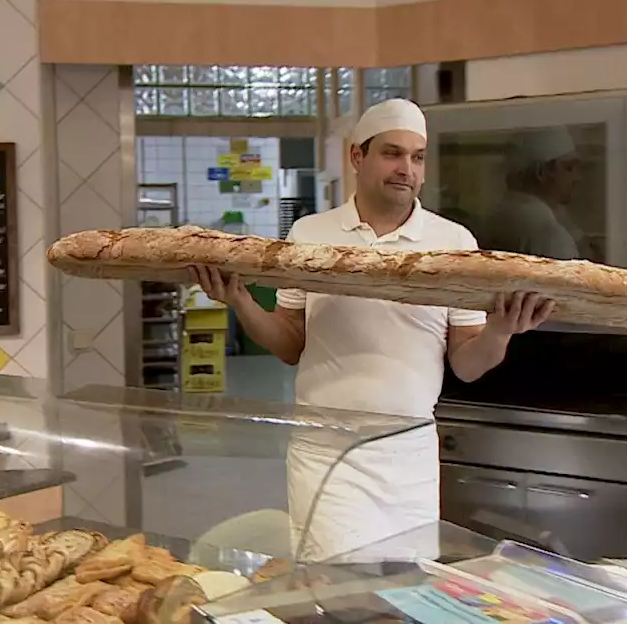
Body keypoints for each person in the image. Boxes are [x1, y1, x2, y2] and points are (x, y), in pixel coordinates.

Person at [191, 98, 555, 561]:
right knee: (335, 591)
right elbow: (289, 341)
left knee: (408, 588)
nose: (407, 168)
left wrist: (501, 330)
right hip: (326, 452)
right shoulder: (310, 235)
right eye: (392, 153)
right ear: (357, 157)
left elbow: (466, 364)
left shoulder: (454, 244)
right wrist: (239, 300)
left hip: (409, 454)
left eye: (417, 157)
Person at [481, 128, 587, 260]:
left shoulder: (492, 218)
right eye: (569, 168)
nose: (578, 178)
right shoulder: (550, 236)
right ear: (541, 173)